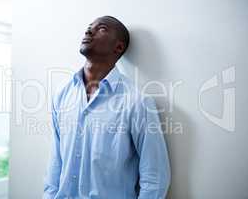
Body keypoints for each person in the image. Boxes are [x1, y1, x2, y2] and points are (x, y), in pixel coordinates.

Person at [43, 15, 171, 199]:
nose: (88, 31)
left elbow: (155, 176)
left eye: (101, 28)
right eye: (89, 27)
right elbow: (56, 160)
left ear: (118, 47)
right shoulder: (62, 93)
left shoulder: (137, 102)